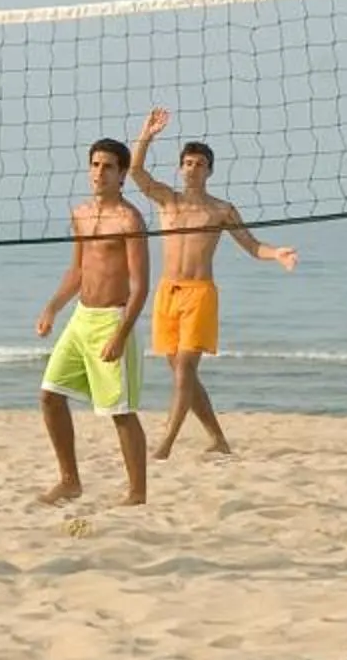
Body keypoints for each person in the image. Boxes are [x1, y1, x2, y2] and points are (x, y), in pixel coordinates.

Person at [124, 108, 300, 459]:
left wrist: (277, 253)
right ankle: (218, 439)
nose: (193, 168)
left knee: (185, 370)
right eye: (187, 163)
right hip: (166, 293)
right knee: (181, 373)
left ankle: (165, 445)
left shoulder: (221, 210)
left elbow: (251, 246)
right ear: (180, 168)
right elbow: (135, 172)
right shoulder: (167, 200)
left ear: (209, 171)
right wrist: (146, 134)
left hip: (199, 294)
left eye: (200, 164)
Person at [33, 139, 151, 505]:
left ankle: (137, 494)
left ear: (121, 176)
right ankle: (70, 480)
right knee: (50, 396)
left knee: (121, 413)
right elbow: (77, 270)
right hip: (81, 317)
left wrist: (121, 333)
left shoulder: (130, 219)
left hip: (113, 318)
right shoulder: (81, 213)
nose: (99, 173)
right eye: (95, 165)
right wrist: (52, 307)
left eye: (108, 167)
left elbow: (141, 285)